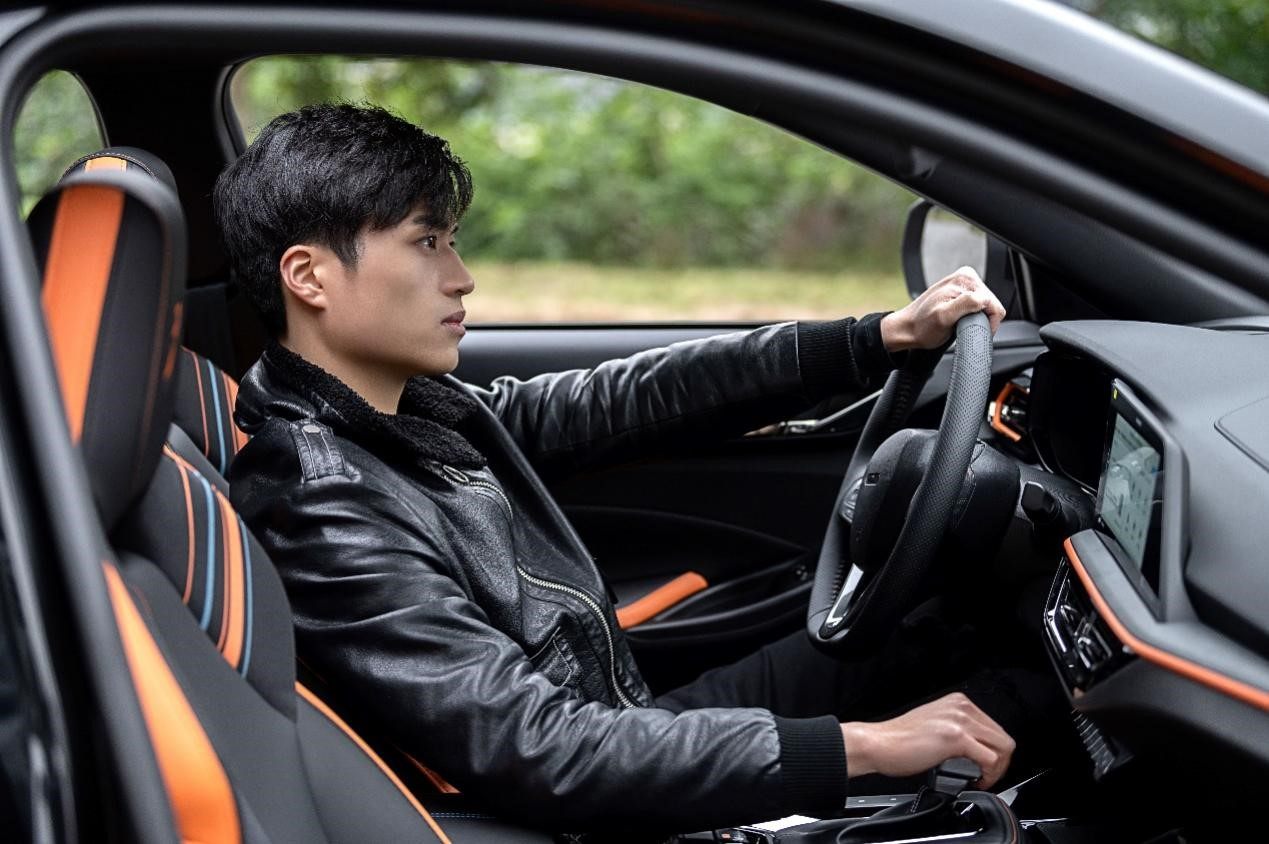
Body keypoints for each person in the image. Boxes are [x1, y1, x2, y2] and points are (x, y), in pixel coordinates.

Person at [218, 103, 1013, 834]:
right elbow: (539, 747)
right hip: (594, 797)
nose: (460, 276)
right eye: (427, 243)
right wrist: (861, 748)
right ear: (309, 276)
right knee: (977, 696)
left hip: (620, 721)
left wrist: (873, 340)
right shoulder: (324, 506)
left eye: (451, 241)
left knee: (933, 633)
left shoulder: (411, 413)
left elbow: (626, 398)